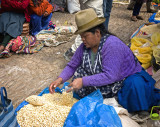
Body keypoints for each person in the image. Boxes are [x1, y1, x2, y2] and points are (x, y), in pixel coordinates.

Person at [49, 8, 160, 112]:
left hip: (124, 79)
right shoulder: (85, 46)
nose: (82, 39)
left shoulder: (112, 45)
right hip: (109, 78)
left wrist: (83, 81)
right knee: (80, 73)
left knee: (134, 85)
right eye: (81, 36)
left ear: (97, 33)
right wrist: (59, 80)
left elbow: (111, 75)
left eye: (85, 36)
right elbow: (72, 65)